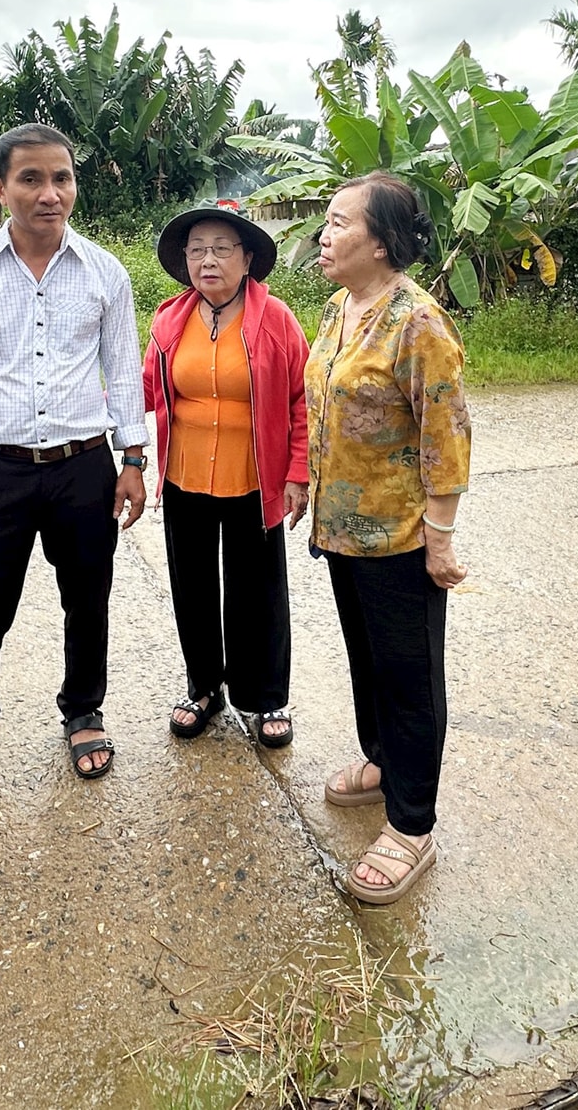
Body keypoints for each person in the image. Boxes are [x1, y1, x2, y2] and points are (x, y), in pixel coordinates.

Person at [0, 123, 149, 807]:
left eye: (62, 178)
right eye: (32, 179)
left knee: (88, 600)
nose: (50, 194)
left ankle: (83, 710)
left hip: (85, 468)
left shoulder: (104, 271)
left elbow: (124, 373)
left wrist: (132, 459)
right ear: (0, 188)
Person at [307, 172, 470, 905]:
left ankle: (412, 824)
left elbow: (448, 439)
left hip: (401, 538)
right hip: (342, 530)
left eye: (340, 222)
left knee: (409, 680)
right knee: (366, 661)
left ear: (380, 241)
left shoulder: (419, 324)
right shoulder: (342, 306)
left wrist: (439, 538)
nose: (325, 234)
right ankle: (381, 763)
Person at [142, 204, 309, 747]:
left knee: (257, 589)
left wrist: (299, 470)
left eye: (220, 249)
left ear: (247, 259)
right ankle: (204, 687)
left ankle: (266, 699)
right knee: (191, 586)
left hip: (254, 476)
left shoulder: (277, 318)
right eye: (196, 250)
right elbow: (141, 389)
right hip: (186, 474)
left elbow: (303, 398)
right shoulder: (170, 318)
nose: (207, 260)